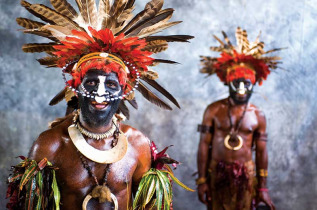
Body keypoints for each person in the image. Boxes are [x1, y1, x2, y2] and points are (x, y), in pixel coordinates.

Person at [6, 0, 193, 209]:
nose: (101, 92)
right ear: (76, 87)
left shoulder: (138, 144)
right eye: (92, 82)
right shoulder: (50, 145)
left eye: (111, 84)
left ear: (124, 92)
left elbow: (148, 205)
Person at [197, 27, 282, 210]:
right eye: (237, 83)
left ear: (254, 84)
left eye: (247, 84)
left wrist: (263, 186)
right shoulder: (213, 110)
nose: (242, 89)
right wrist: (202, 180)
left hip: (246, 175)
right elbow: (204, 145)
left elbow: (261, 152)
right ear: (228, 82)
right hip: (217, 174)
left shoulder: (258, 115)